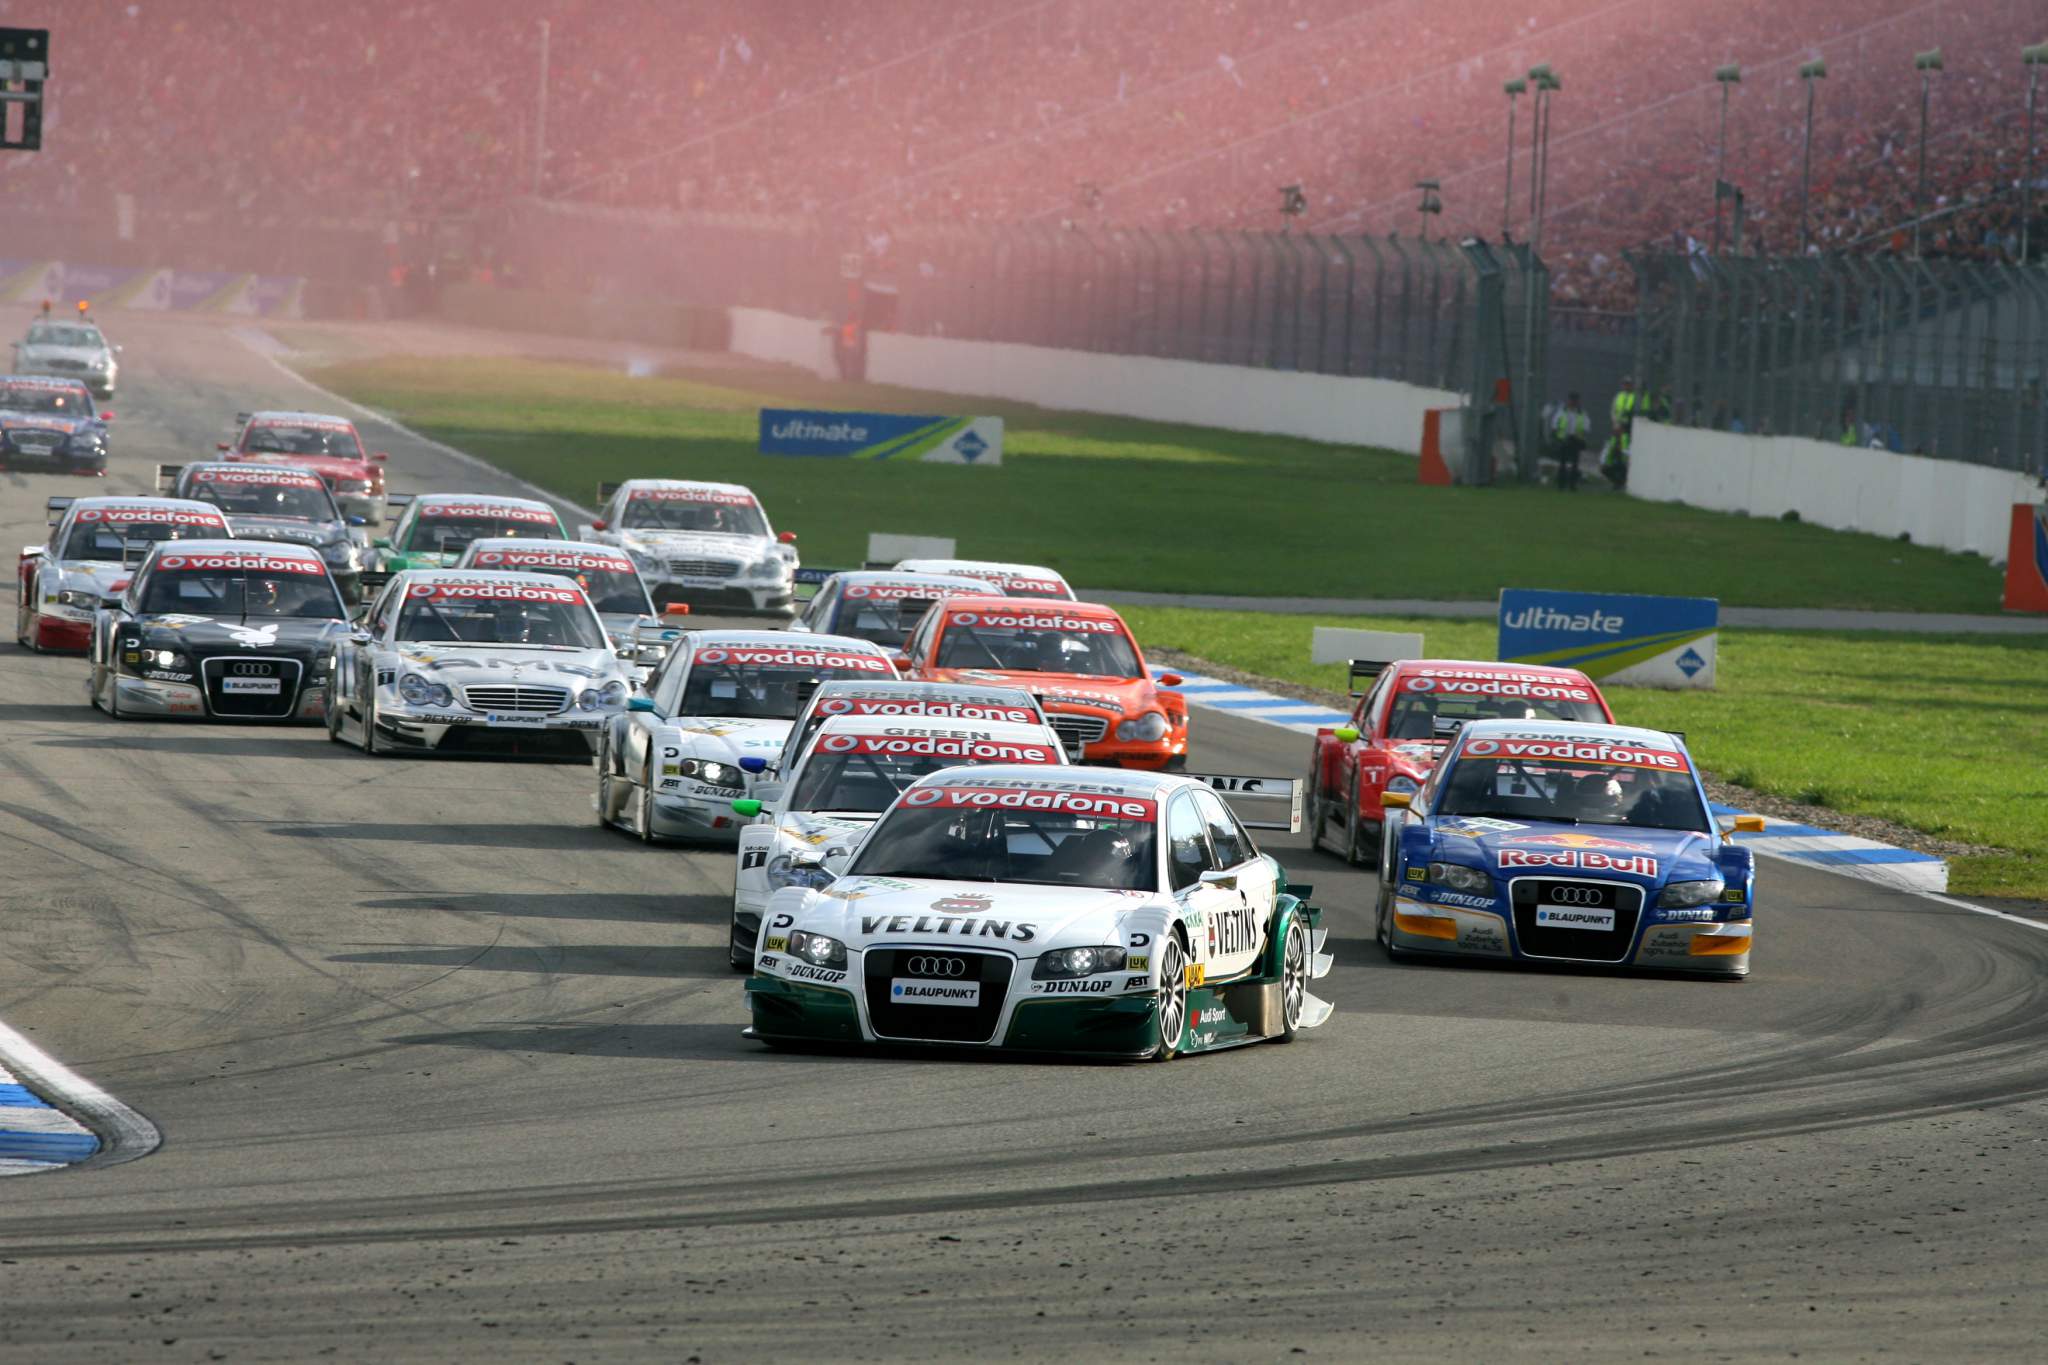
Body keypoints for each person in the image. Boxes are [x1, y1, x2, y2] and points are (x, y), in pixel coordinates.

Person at [1550, 392, 1590, 491]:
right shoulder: (1562, 411)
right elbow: (1554, 425)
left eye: (1575, 400)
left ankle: (1573, 485)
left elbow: (1586, 427)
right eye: (1571, 400)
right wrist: (1557, 438)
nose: (1573, 402)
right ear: (1568, 400)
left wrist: (1582, 436)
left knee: (1575, 464)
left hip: (1576, 440)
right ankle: (1561, 485)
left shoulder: (1582, 413)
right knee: (1562, 463)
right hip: (1563, 439)